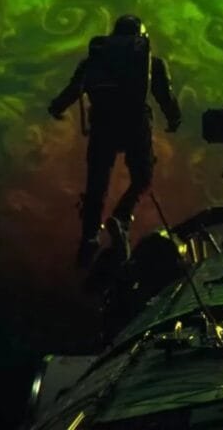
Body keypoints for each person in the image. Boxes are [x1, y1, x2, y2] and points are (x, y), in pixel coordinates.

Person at [48, 14, 181, 267]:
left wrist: (56, 107)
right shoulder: (150, 63)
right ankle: (121, 217)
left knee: (97, 183)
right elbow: (165, 95)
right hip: (135, 123)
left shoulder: (95, 60)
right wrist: (174, 119)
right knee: (142, 178)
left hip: (103, 124)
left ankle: (89, 237)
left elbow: (74, 89)